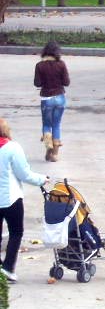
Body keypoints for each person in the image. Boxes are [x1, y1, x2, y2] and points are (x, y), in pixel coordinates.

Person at [0, 118, 49, 282]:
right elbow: (24, 174)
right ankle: (7, 268)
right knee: (16, 232)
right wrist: (42, 179)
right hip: (10, 198)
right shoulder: (12, 148)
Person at [34, 40, 70, 162]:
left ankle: (48, 147)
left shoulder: (40, 65)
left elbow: (37, 83)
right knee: (56, 124)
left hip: (46, 98)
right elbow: (66, 82)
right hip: (60, 97)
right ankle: (54, 154)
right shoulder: (61, 64)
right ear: (57, 52)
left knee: (46, 124)